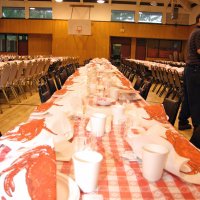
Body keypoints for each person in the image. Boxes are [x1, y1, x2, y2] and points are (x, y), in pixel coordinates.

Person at [178, 14, 200, 148]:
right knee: (196, 99)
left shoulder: (194, 32)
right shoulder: (199, 32)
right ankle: (198, 128)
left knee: (188, 98)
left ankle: (182, 121)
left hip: (190, 69)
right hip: (196, 69)